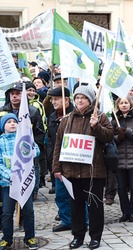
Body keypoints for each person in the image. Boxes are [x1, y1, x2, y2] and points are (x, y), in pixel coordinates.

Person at [52, 85, 114, 249]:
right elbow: (58, 145)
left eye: (83, 98)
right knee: (76, 206)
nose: (79, 101)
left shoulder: (99, 117)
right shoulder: (66, 120)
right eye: (77, 98)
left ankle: (95, 237)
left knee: (94, 206)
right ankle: (78, 236)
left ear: (90, 100)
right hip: (71, 171)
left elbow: (109, 136)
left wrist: (96, 127)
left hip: (93, 171)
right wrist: (56, 168)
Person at [0, 113, 40, 250]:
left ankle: (30, 237)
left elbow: (36, 152)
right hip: (8, 183)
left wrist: (30, 146)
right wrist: (10, 176)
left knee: (28, 210)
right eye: (8, 122)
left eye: (14, 121)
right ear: (3, 126)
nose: (12, 124)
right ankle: (6, 238)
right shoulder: (1, 141)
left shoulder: (24, 138)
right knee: (7, 212)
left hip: (24, 182)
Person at [112, 97, 133, 223]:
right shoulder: (115, 120)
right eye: (121, 103)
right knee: (121, 188)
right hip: (119, 159)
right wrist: (118, 137)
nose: (124, 105)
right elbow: (110, 138)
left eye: (126, 103)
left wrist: (127, 131)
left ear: (130, 105)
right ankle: (124, 211)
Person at [47, 87, 74, 232]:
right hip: (58, 160)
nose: (53, 102)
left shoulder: (75, 115)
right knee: (61, 194)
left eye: (56, 99)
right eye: (52, 99)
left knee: (76, 193)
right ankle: (66, 220)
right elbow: (51, 140)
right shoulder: (52, 117)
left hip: (73, 160)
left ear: (66, 99)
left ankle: (83, 220)